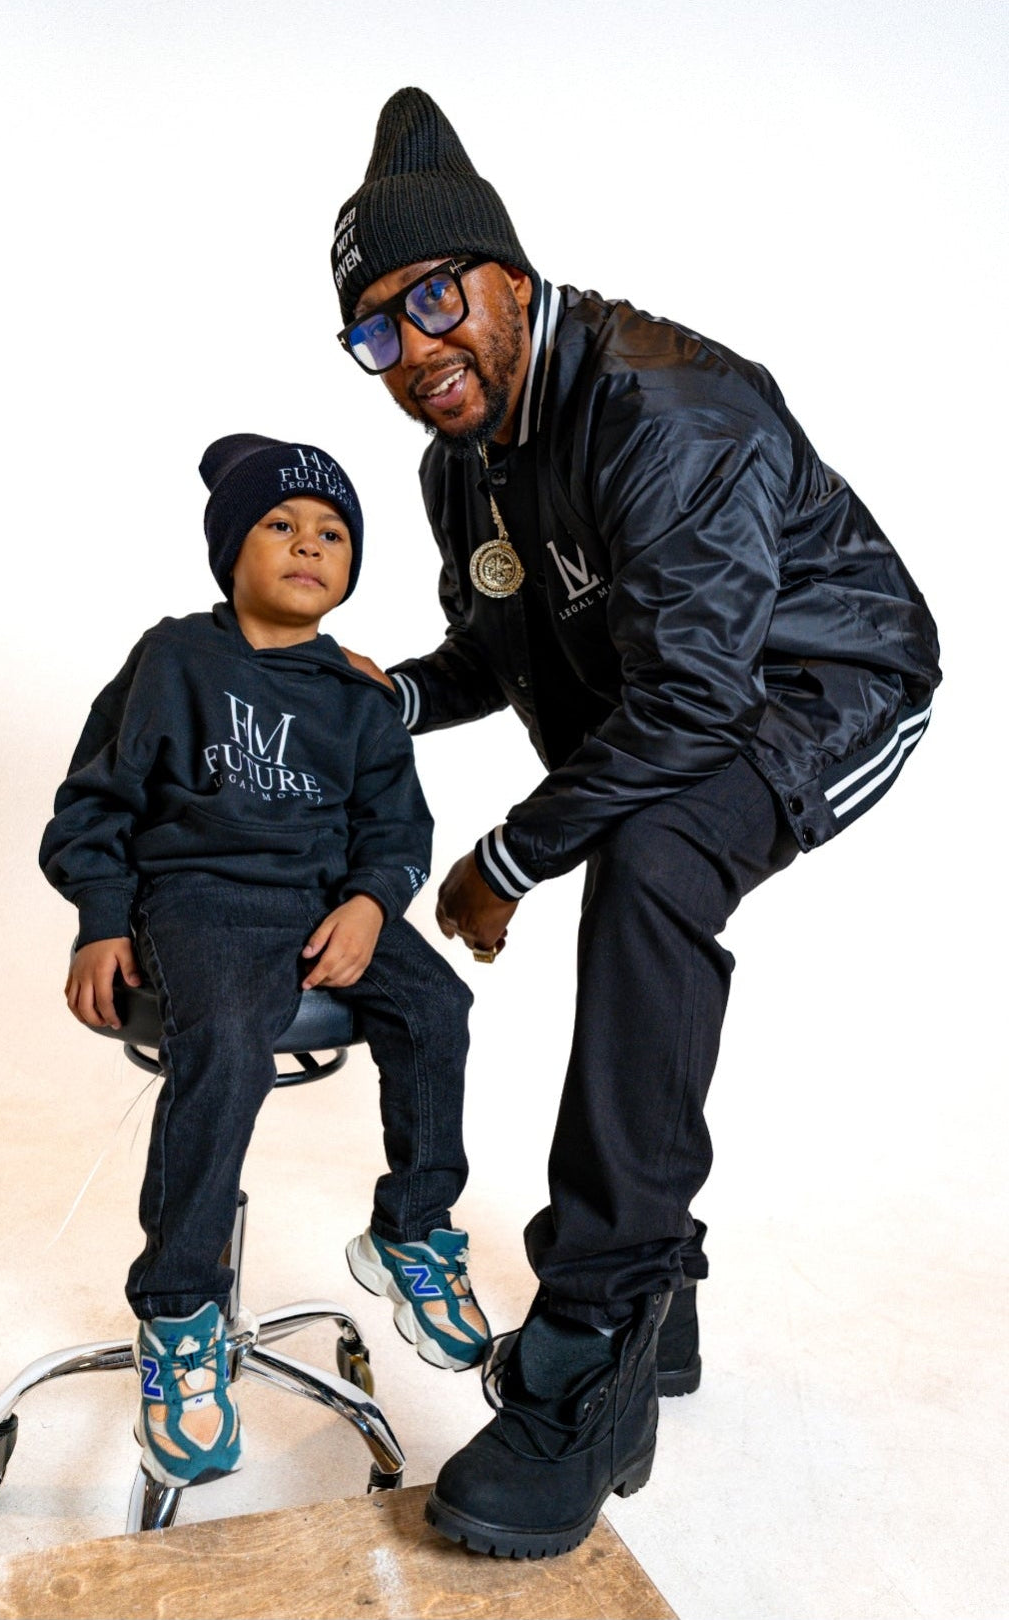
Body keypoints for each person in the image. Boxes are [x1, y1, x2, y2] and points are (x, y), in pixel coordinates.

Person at [328, 88, 942, 1558]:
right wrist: (389, 699)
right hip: (679, 691)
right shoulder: (460, 462)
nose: (414, 351)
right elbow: (500, 648)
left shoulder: (671, 408)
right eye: (376, 333)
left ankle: (593, 1344)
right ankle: (659, 1292)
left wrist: (507, 858)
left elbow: (693, 706)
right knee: (635, 853)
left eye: (433, 299)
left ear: (509, 278)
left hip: (823, 677)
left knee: (652, 864)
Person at [39, 433, 489, 1491]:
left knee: (438, 1005)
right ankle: (180, 1309)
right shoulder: (175, 660)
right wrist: (101, 919)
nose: (308, 544)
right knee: (231, 1041)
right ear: (230, 549)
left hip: (325, 907)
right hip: (197, 901)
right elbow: (95, 803)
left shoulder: (361, 696)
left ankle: (412, 1230)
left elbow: (396, 830)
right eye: (280, 524)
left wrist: (373, 905)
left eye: (333, 532)